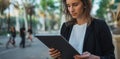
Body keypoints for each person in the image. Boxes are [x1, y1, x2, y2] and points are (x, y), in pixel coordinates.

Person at [49, 0, 115, 59]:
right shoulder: (66, 27)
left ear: (85, 4)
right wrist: (57, 55)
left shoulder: (100, 26)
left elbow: (111, 56)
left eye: (75, 5)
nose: (71, 10)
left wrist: (95, 58)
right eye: (68, 6)